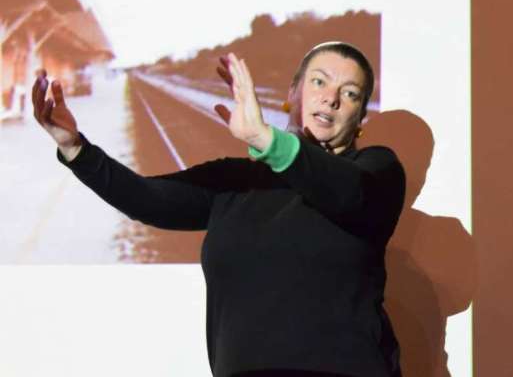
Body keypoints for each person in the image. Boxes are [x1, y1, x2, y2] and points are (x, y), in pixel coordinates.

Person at [33, 41, 406, 377]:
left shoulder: (375, 170)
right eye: (319, 82)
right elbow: (146, 198)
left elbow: (350, 194)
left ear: (360, 117)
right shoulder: (235, 179)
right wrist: (75, 148)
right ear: (293, 93)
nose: (331, 98)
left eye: (350, 93)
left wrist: (265, 139)